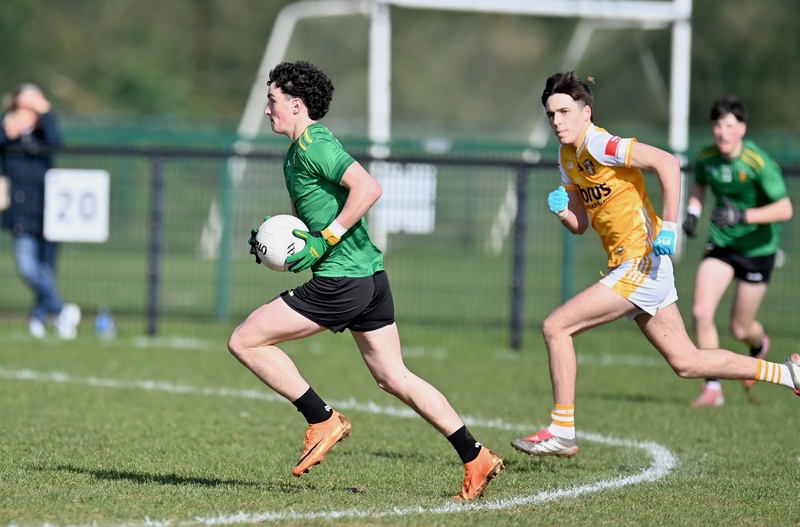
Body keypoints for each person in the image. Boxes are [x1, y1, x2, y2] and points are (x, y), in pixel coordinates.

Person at [228, 60, 503, 500]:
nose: (267, 110)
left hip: (343, 281)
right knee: (394, 376)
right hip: (369, 277)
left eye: (272, 100)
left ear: (296, 105)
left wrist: (324, 241)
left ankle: (321, 419)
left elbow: (369, 188)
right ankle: (475, 456)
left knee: (245, 341)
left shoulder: (315, 145)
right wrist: (272, 244)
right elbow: (309, 222)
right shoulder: (297, 153)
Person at [510, 72, 799, 459]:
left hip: (642, 262)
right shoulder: (567, 158)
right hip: (632, 266)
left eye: (564, 112)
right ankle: (787, 373)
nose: (557, 121)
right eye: (551, 115)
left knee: (556, 326)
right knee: (687, 362)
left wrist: (670, 226)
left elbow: (667, 162)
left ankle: (562, 430)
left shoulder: (599, 142)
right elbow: (580, 224)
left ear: (586, 112)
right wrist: (564, 213)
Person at [682, 96, 793, 407]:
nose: (722, 132)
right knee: (701, 312)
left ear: (742, 129)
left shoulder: (758, 163)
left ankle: (758, 345)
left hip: (758, 250)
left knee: (740, 328)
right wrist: (692, 213)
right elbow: (699, 185)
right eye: (718, 126)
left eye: (729, 126)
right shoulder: (707, 159)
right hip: (722, 245)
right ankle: (712, 388)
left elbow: (785, 209)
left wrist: (742, 216)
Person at [0, 83, 80, 339]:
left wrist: (46, 113)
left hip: (48, 211)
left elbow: (56, 143)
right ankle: (62, 310)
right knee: (28, 268)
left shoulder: (44, 132)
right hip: (20, 212)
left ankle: (38, 319)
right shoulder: (8, 131)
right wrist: (9, 131)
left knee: (46, 270)